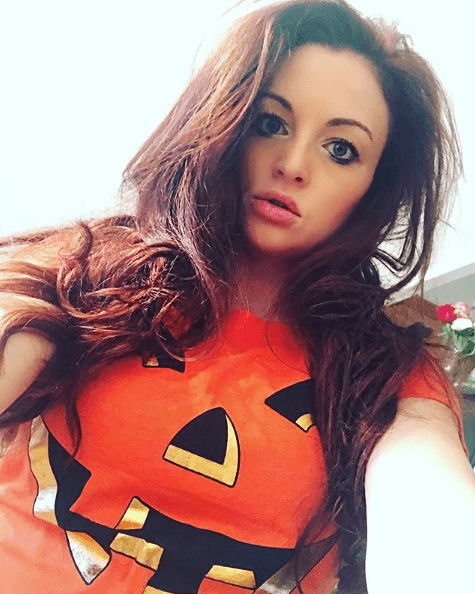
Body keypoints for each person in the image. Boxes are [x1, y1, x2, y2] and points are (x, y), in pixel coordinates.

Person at [0, 1, 474, 593]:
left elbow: (431, 516)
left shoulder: (387, 374)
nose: (293, 165)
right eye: (271, 123)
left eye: (341, 150)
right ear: (224, 121)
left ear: (374, 188)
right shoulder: (89, 273)